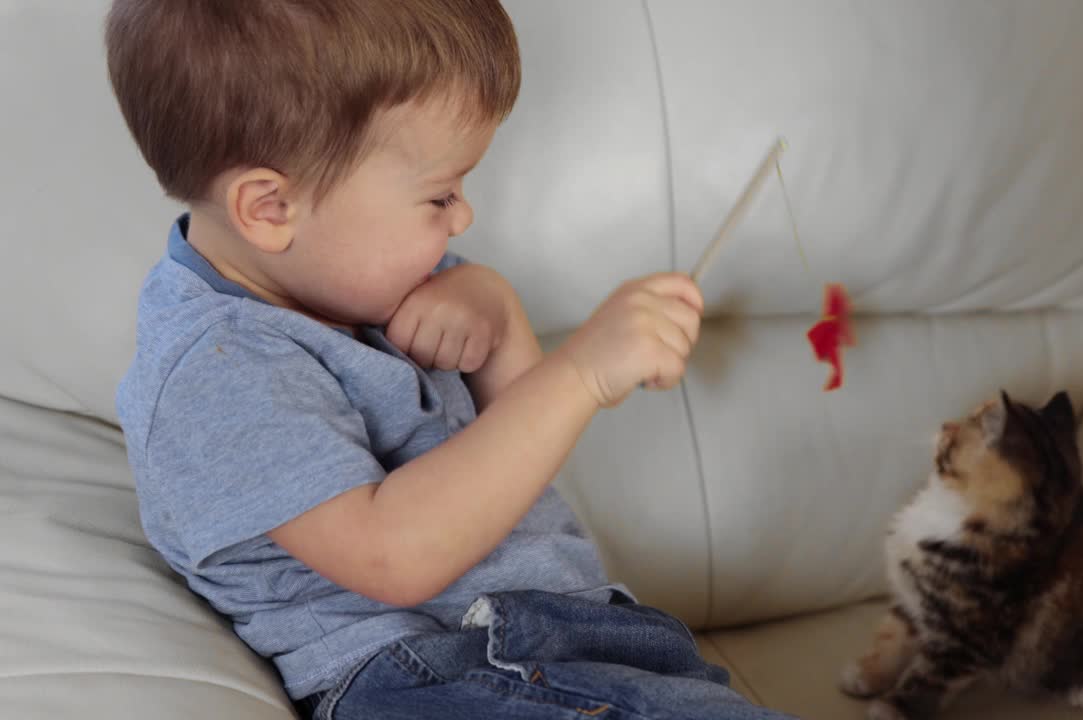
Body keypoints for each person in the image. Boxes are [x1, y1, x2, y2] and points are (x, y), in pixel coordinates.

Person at [107, 2, 795, 718]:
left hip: (575, 638)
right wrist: (581, 372)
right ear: (270, 208)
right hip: (433, 670)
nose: (463, 217)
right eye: (440, 195)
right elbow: (392, 556)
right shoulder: (217, 369)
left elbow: (520, 454)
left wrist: (496, 310)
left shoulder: (365, 280)